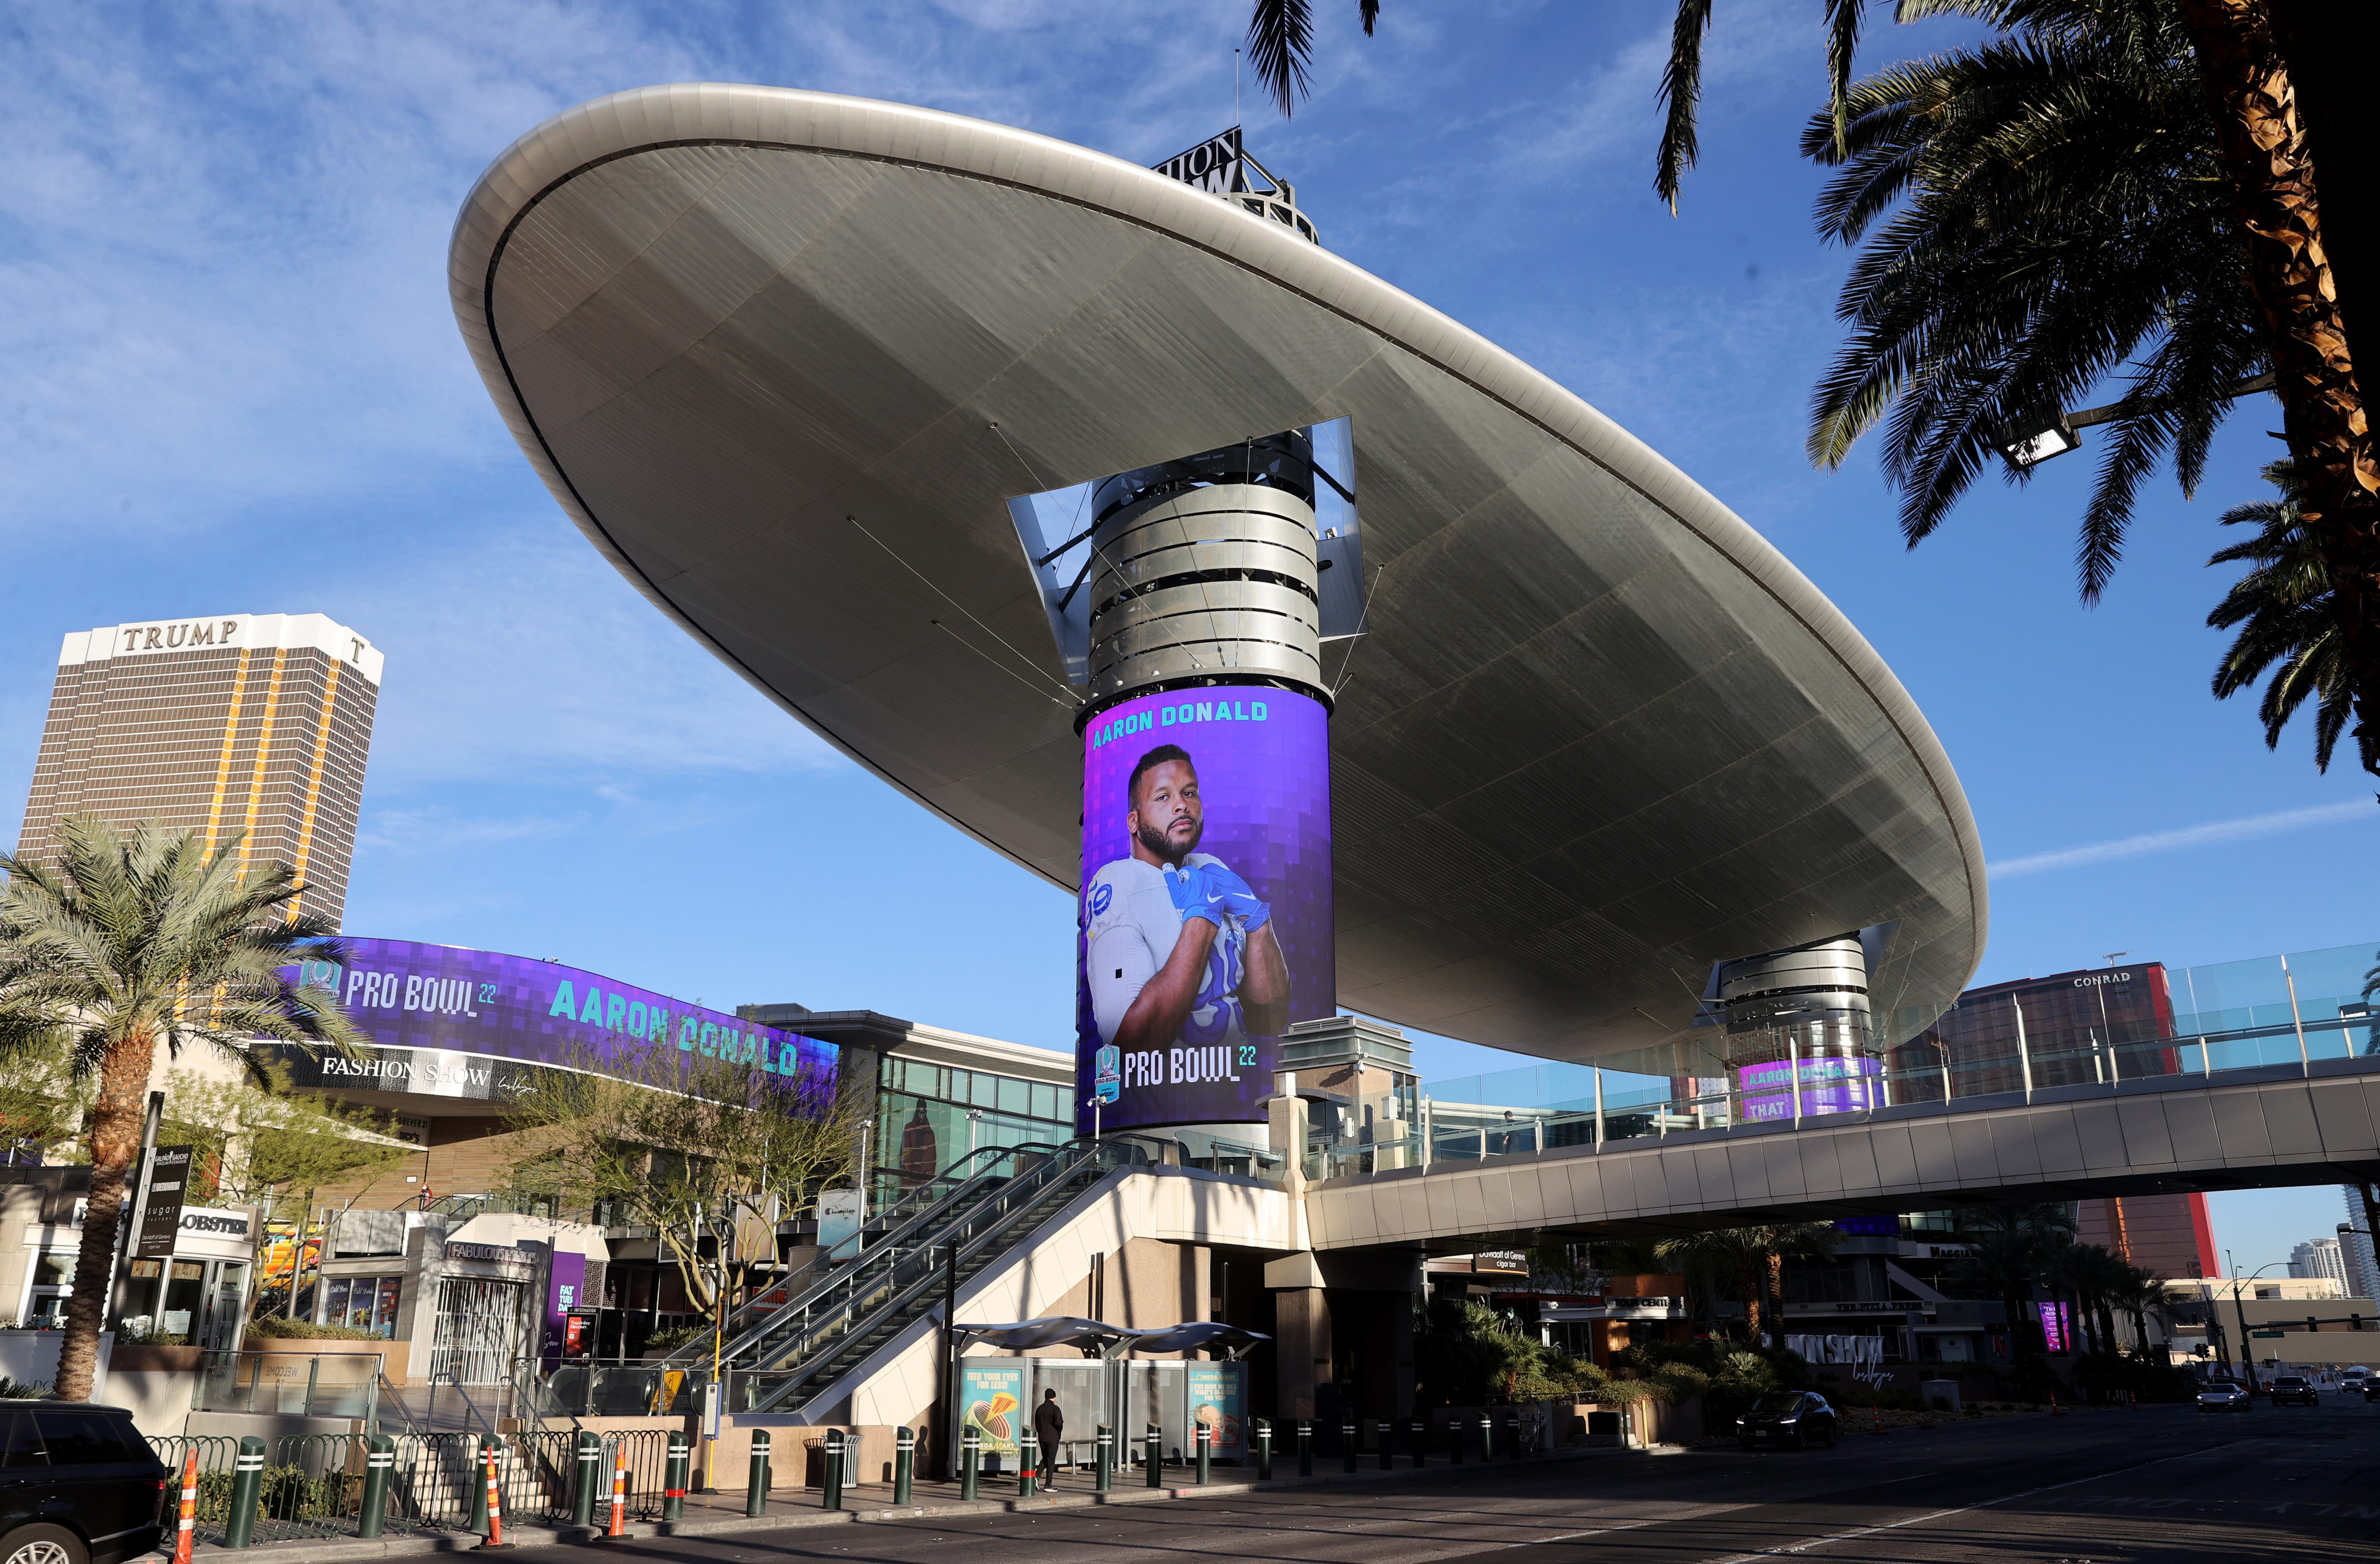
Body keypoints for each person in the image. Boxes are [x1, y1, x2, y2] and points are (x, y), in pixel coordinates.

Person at [1085, 745, 1291, 1071]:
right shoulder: (1117, 882)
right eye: (1163, 797)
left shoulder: (1210, 866)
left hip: (1240, 1087)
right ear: (1134, 821)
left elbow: (1271, 1017)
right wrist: (1200, 920)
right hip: (1167, 1102)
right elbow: (1133, 1042)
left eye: (1190, 792)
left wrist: (1259, 924)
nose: (1182, 805)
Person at [1034, 1388, 1064, 1485]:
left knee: (1046, 1458)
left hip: (1042, 1437)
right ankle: (1048, 1485)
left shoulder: (1039, 1409)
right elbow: (1059, 1424)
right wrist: (1057, 1434)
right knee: (1051, 1461)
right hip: (1053, 1438)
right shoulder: (1056, 1409)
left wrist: (1041, 1433)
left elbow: (1037, 1425)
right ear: (1054, 1398)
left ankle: (1036, 1477)